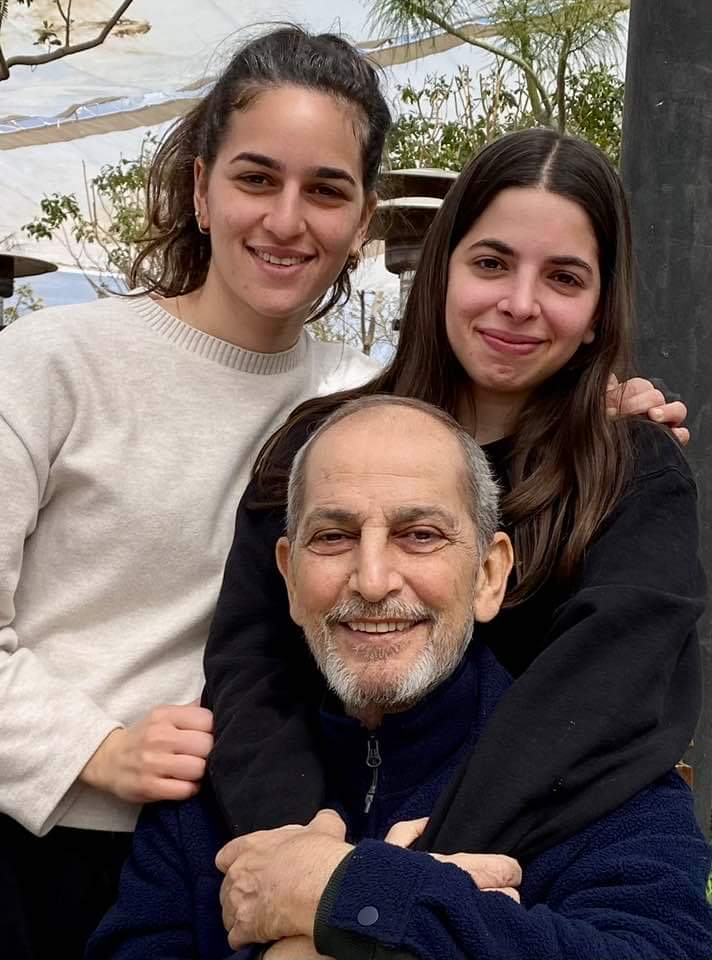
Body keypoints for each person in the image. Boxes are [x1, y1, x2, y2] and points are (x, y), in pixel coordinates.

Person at [202, 126, 705, 895]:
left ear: (601, 309)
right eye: (491, 263)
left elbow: (600, 697)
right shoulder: (319, 447)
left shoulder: (630, 474)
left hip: (523, 885)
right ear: (443, 268)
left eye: (564, 278)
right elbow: (250, 668)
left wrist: (388, 884)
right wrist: (300, 851)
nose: (519, 303)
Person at [0, 27, 391, 958]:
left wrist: (610, 412)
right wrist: (93, 750)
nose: (287, 220)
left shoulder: (362, 400)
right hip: (35, 845)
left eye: (326, 190)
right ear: (201, 190)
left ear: (363, 221)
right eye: (257, 178)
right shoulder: (53, 363)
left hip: (236, 856)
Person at [87, 397, 712, 960]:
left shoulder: (600, 782)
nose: (373, 580)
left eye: (420, 535)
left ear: (489, 575)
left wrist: (351, 893)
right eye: (333, 536)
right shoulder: (211, 781)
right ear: (289, 577)